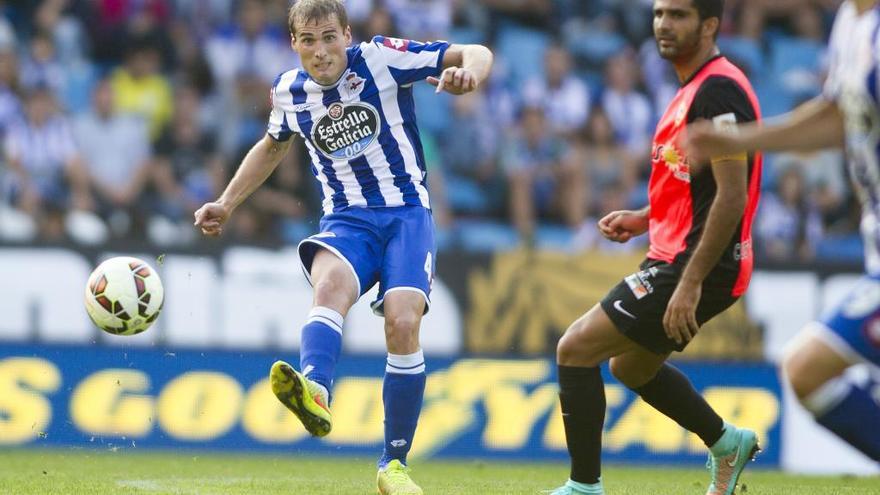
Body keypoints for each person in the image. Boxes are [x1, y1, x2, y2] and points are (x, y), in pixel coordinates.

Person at [192, 1, 493, 494]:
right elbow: (273, 144)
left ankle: (393, 465)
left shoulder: (381, 59)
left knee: (402, 322)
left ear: (347, 35)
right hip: (347, 219)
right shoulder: (290, 92)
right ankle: (314, 388)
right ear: (294, 45)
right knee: (330, 284)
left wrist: (470, 76)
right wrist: (227, 202)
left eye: (329, 37)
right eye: (308, 41)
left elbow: (474, 51)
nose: (321, 51)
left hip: (406, 215)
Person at [548, 1, 763, 494]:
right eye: (660, 12)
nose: (665, 23)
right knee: (631, 365)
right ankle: (727, 442)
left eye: (680, 14)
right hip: (677, 252)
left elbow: (732, 195)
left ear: (709, 26)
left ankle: (584, 488)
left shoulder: (719, 92)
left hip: (697, 263)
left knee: (575, 348)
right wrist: (646, 218)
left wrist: (689, 282)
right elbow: (698, 184)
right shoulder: (694, 88)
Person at [687, 0, 880, 464]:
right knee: (807, 371)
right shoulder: (851, 24)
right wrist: (739, 140)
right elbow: (836, 117)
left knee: (807, 367)